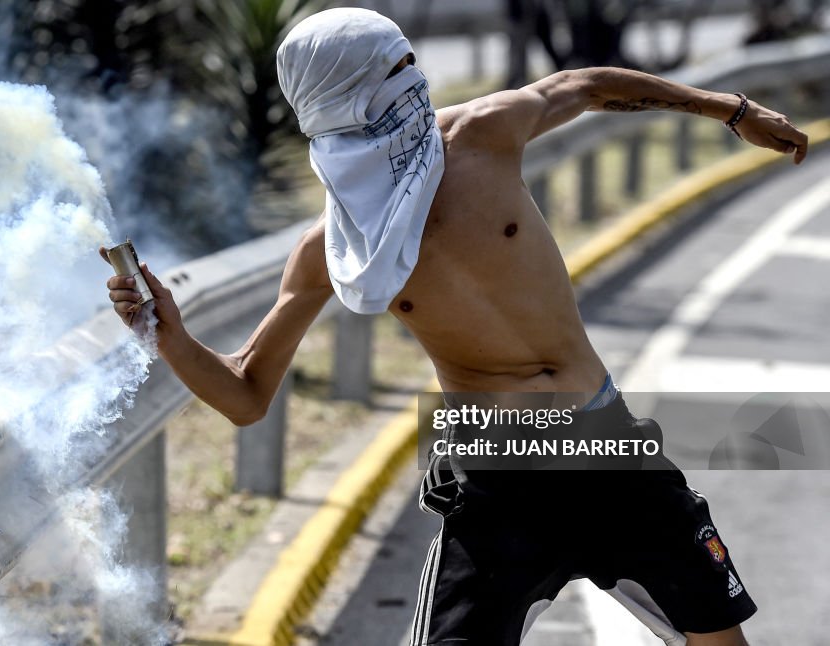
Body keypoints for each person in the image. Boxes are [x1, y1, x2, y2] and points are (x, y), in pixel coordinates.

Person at [103, 8, 808, 646]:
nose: (419, 80)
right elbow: (247, 394)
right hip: (497, 481)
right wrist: (169, 334)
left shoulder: (481, 135)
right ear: (342, 98)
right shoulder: (333, 249)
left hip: (607, 445)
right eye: (396, 69)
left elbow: (586, 84)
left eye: (413, 60)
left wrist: (730, 109)